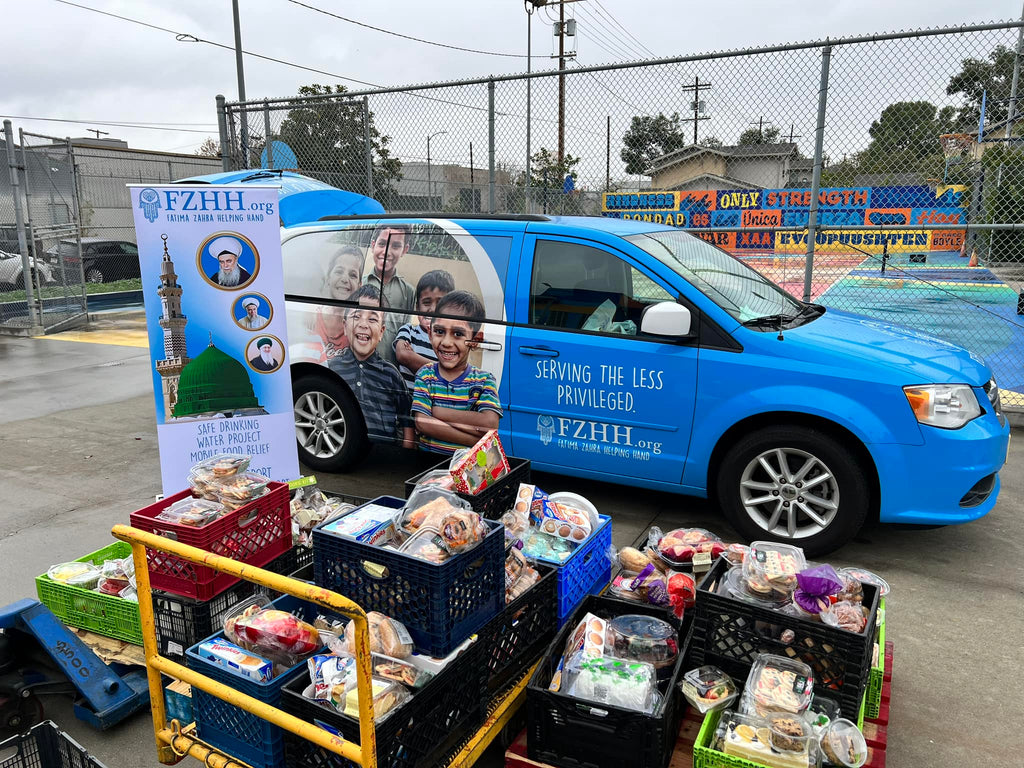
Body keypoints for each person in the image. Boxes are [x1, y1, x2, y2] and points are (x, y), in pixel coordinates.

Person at [411, 290, 502, 454]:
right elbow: (423, 423)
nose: (446, 342)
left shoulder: (484, 381)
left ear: (475, 340)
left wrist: (437, 412)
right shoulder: (425, 375)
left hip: (467, 467)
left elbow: (489, 424)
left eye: (458, 334)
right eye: (440, 331)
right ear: (430, 334)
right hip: (428, 464)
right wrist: (475, 440)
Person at [328, 285, 414, 446]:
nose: (363, 324)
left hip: (383, 453)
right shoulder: (332, 368)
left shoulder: (391, 374)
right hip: (342, 449)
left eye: (372, 319)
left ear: (381, 332)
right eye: (356, 316)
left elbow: (407, 421)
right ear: (345, 326)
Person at [393, 269, 455, 391]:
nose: (432, 309)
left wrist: (414, 357)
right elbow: (403, 355)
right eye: (426, 303)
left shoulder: (450, 341)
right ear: (417, 307)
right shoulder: (408, 330)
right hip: (407, 398)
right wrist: (442, 368)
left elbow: (454, 372)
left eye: (440, 303)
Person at [363, 224, 415, 365]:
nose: (387, 252)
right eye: (382, 244)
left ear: (405, 250)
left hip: (391, 368)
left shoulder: (408, 292)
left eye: (396, 246)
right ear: (373, 245)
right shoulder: (360, 283)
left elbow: (406, 333)